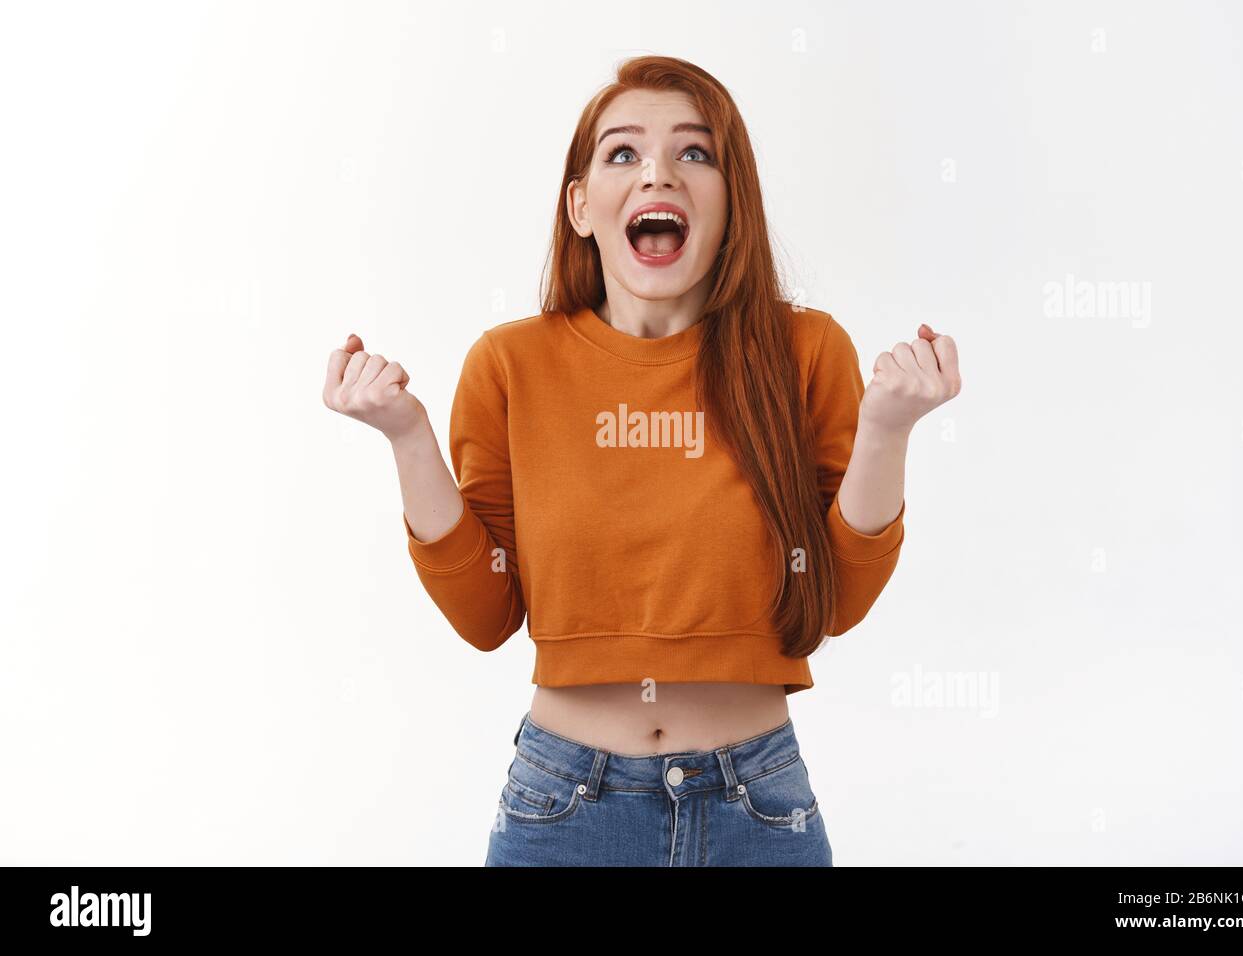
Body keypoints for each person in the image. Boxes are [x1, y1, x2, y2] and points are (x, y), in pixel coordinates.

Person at [322, 55, 961, 866]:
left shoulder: (804, 350)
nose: (659, 171)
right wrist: (407, 437)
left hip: (759, 808)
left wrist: (889, 430)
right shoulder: (511, 364)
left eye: (695, 153)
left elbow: (832, 602)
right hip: (562, 807)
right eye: (624, 153)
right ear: (582, 206)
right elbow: (487, 617)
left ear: (732, 204)